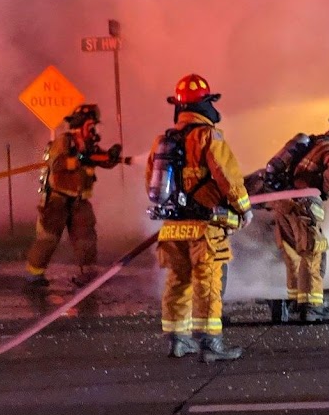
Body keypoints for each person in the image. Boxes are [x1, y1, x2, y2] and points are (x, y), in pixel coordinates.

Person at [146, 73, 251, 358]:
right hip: (205, 226)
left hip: (172, 226)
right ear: (205, 104)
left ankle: (178, 341)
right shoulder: (208, 136)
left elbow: (150, 184)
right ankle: (210, 344)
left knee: (177, 282)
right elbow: (227, 176)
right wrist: (244, 208)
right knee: (207, 283)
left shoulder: (162, 142)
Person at [270, 114, 329, 322]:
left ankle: (296, 301)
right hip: (304, 205)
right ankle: (312, 306)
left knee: (294, 254)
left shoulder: (315, 143)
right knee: (314, 253)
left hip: (283, 202)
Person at [26, 103, 123, 288]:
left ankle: (88, 274)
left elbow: (103, 161)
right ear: (82, 124)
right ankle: (34, 275)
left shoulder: (89, 145)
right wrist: (79, 159)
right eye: (91, 125)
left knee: (86, 238)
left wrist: (112, 155)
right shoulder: (64, 141)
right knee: (48, 238)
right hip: (57, 200)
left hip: (80, 201)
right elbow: (57, 163)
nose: (94, 129)